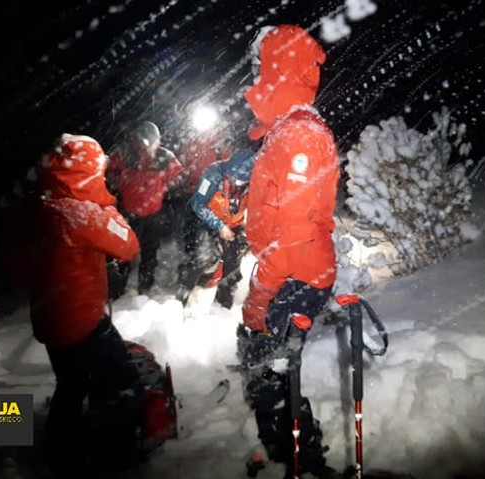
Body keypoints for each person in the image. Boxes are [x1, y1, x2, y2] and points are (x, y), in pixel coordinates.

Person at [2, 134, 173, 477]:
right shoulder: (81, 214)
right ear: (84, 175)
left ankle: (59, 450)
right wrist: (103, 205)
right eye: (97, 173)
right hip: (83, 322)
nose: (103, 178)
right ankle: (114, 456)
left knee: (71, 384)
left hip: (50, 324)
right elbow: (128, 244)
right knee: (120, 382)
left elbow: (16, 268)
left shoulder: (36, 208)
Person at [237, 25, 340, 478]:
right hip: (285, 270)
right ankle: (287, 449)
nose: (253, 76)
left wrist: (260, 295)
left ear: (278, 70)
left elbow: (292, 236)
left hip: (294, 274)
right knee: (265, 364)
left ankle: (303, 458)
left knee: (271, 371)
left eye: (260, 67)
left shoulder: (299, 135)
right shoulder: (285, 131)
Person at [106, 121, 184, 296]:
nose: (149, 145)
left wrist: (167, 186)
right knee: (122, 254)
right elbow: (108, 168)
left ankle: (144, 289)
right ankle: (116, 291)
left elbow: (179, 176)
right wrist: (115, 182)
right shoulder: (126, 154)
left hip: (153, 215)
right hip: (128, 214)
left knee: (149, 254)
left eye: (153, 141)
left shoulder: (165, 156)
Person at [176, 148, 256, 309]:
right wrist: (219, 226)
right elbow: (198, 204)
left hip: (235, 222)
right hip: (207, 220)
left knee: (233, 264)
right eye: (237, 180)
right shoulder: (213, 173)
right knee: (203, 258)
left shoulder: (254, 179)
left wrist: (248, 228)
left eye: (243, 181)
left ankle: (223, 306)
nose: (239, 184)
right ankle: (181, 297)